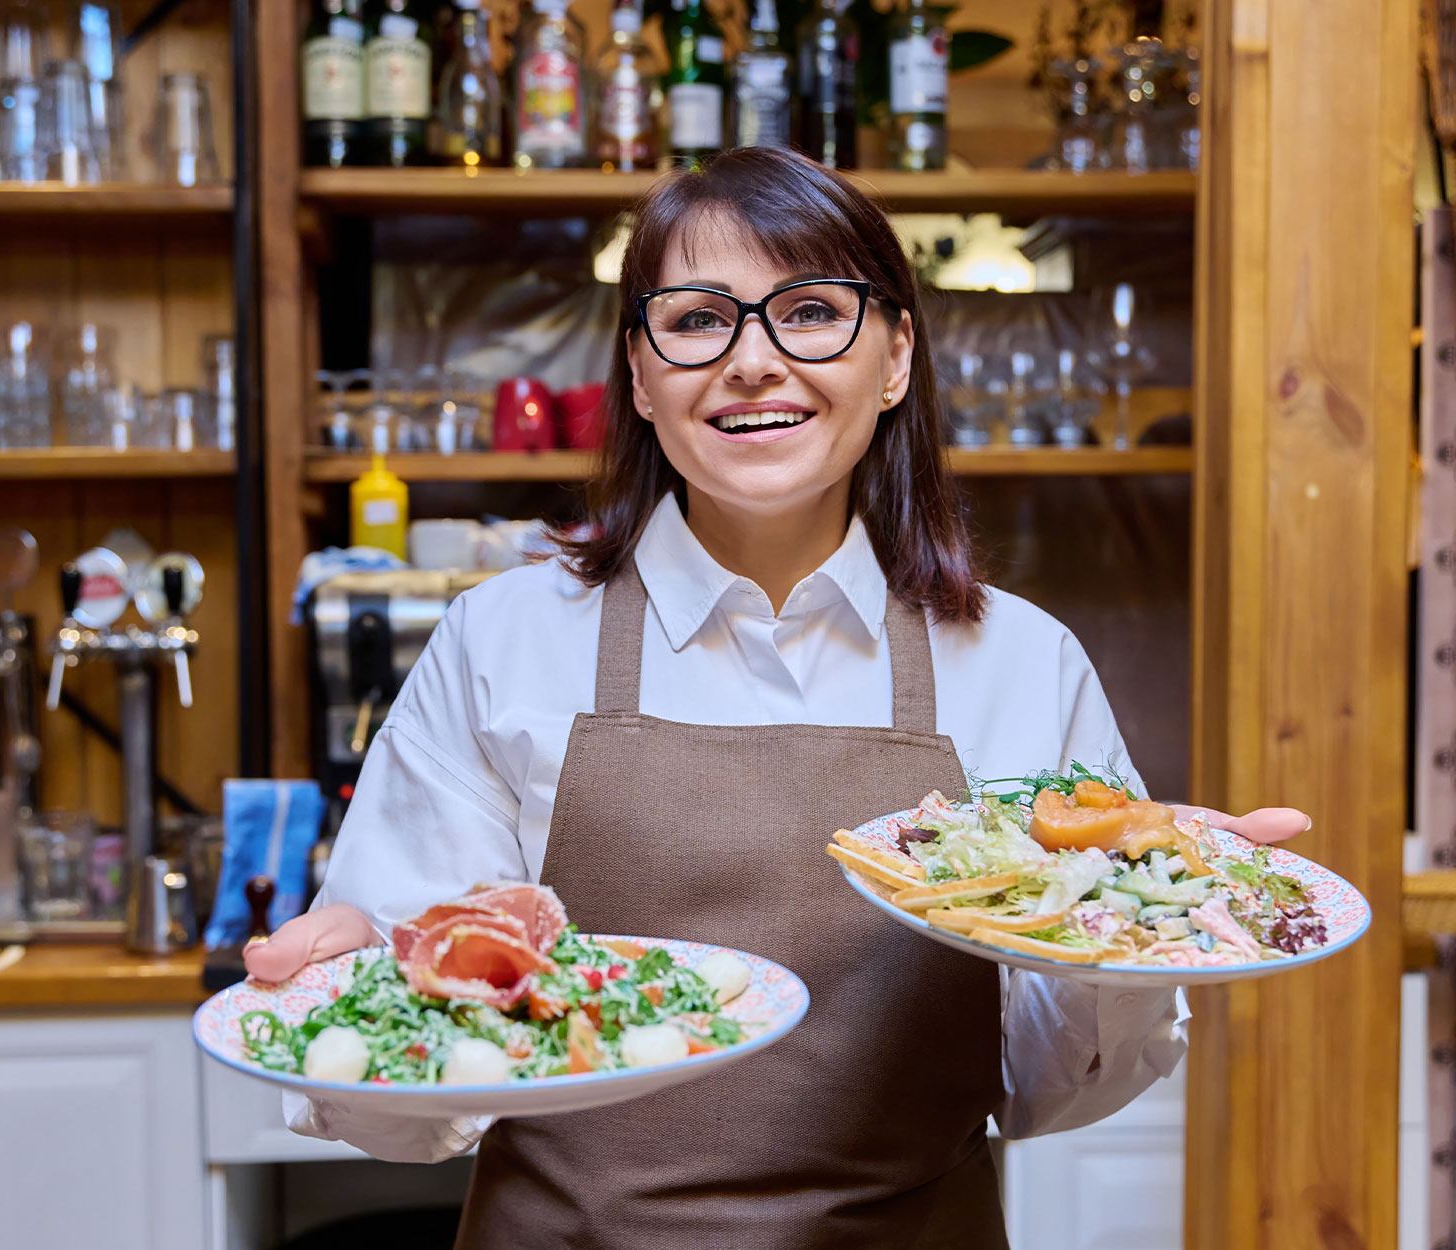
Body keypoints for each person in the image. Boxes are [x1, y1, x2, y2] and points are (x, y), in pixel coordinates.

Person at [247, 147, 1307, 1249]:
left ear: (895, 357)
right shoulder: (499, 641)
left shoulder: (1021, 660)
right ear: (641, 375)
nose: (753, 361)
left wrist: (1142, 926)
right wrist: (344, 994)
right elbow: (411, 1106)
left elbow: (1048, 1088)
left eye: (810, 312)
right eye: (698, 320)